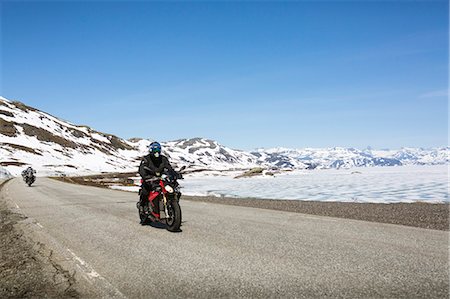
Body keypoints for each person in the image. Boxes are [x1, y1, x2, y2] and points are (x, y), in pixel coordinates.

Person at [138, 142, 178, 221]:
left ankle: (171, 205)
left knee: (173, 189)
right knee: (145, 191)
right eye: (155, 149)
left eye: (158, 149)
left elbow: (169, 168)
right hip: (149, 179)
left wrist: (175, 174)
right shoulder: (146, 159)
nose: (156, 152)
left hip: (161, 179)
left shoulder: (163, 159)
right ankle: (143, 206)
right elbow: (142, 169)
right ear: (151, 150)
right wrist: (146, 177)